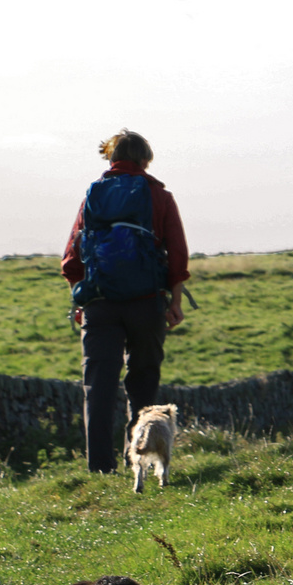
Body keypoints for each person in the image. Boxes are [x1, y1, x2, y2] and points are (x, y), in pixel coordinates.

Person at [60, 130, 189, 474]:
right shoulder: (158, 196)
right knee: (143, 381)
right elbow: (177, 255)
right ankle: (140, 462)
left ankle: (100, 469)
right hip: (146, 303)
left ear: (111, 158)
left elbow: (72, 257)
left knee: (98, 386)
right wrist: (175, 303)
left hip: (99, 303)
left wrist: (80, 299)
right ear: (146, 159)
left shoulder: (94, 195)